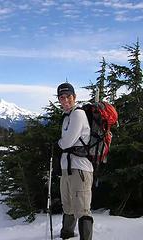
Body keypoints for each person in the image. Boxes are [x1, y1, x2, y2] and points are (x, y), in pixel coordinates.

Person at [57, 82, 94, 240]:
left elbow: (66, 142)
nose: (65, 100)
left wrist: (58, 143)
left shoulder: (78, 114)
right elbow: (66, 143)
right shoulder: (67, 117)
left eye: (68, 96)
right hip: (67, 168)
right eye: (61, 97)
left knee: (82, 209)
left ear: (75, 97)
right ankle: (66, 235)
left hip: (80, 169)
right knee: (68, 206)